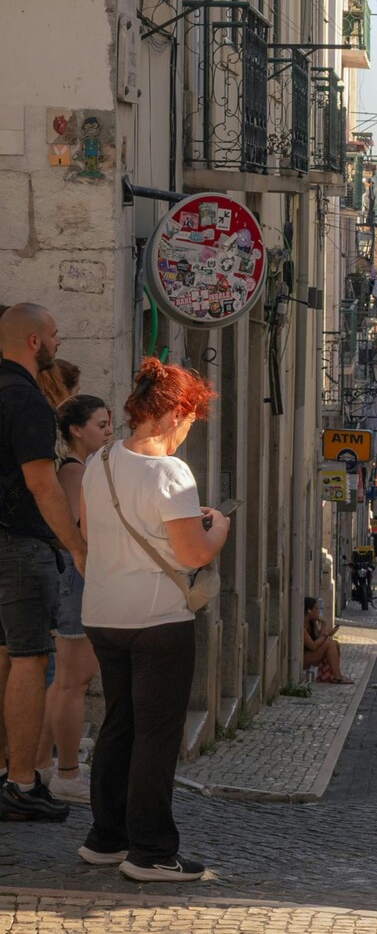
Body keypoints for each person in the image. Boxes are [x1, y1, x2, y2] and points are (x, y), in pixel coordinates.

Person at [78, 356, 229, 881]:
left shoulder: (98, 461)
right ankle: (152, 851)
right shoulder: (169, 470)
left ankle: (106, 838)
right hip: (157, 619)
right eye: (189, 421)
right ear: (172, 415)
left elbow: (93, 536)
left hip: (102, 611)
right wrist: (221, 528)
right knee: (156, 734)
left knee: (118, 724)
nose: (187, 433)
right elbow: (193, 554)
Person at [0, 304, 85, 823]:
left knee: (5, 657)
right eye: (55, 335)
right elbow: (41, 482)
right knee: (30, 659)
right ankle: (23, 781)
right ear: (34, 342)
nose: (59, 342)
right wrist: (74, 542)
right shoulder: (25, 398)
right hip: (20, 543)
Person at [35, 394, 113, 804]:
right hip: (76, 576)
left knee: (67, 681)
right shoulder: (75, 472)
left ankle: (44, 766)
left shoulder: (83, 469)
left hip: (77, 575)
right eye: (101, 425)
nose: (109, 431)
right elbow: (74, 532)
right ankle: (65, 772)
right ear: (76, 430)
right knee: (72, 682)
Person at [301, 597, 351, 684]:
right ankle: (337, 676)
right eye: (316, 609)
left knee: (333, 642)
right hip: (304, 657)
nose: (318, 611)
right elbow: (313, 645)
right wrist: (327, 634)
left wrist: (323, 624)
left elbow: (319, 637)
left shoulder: (312, 623)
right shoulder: (303, 628)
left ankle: (333, 674)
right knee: (329, 643)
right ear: (309, 611)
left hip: (313, 653)